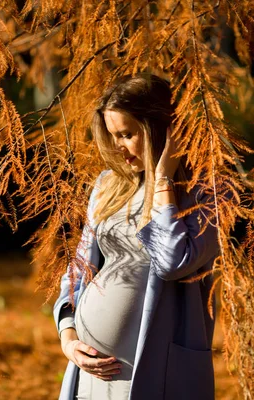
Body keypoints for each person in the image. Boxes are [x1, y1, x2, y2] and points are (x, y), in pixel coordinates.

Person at [53, 73, 220, 400]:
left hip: (156, 374)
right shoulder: (107, 184)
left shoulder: (206, 194)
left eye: (127, 134)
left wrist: (162, 180)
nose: (118, 146)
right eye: (113, 135)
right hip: (90, 372)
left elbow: (173, 262)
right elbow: (78, 270)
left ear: (161, 129)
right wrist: (69, 338)